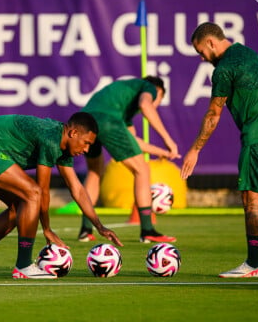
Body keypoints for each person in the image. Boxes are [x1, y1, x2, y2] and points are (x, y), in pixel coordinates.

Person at [181, 22, 258, 278]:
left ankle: (254, 264)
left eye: (201, 51)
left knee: (251, 199)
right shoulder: (247, 53)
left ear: (211, 42)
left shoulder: (224, 68)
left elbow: (213, 113)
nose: (201, 58)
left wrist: (195, 149)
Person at [0, 112, 123, 279]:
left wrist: (99, 226)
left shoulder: (63, 146)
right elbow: (42, 190)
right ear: (73, 133)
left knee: (19, 206)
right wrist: (46, 229)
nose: (86, 149)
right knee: (32, 194)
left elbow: (76, 188)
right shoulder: (50, 138)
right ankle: (24, 266)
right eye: (86, 143)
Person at [76, 76, 180, 243]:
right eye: (159, 99)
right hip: (107, 121)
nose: (157, 103)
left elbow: (133, 142)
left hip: (85, 121)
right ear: (159, 92)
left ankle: (85, 230)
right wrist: (168, 140)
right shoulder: (149, 87)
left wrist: (162, 151)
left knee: (95, 172)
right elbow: (145, 105)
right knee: (142, 169)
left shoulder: (123, 104)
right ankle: (147, 230)